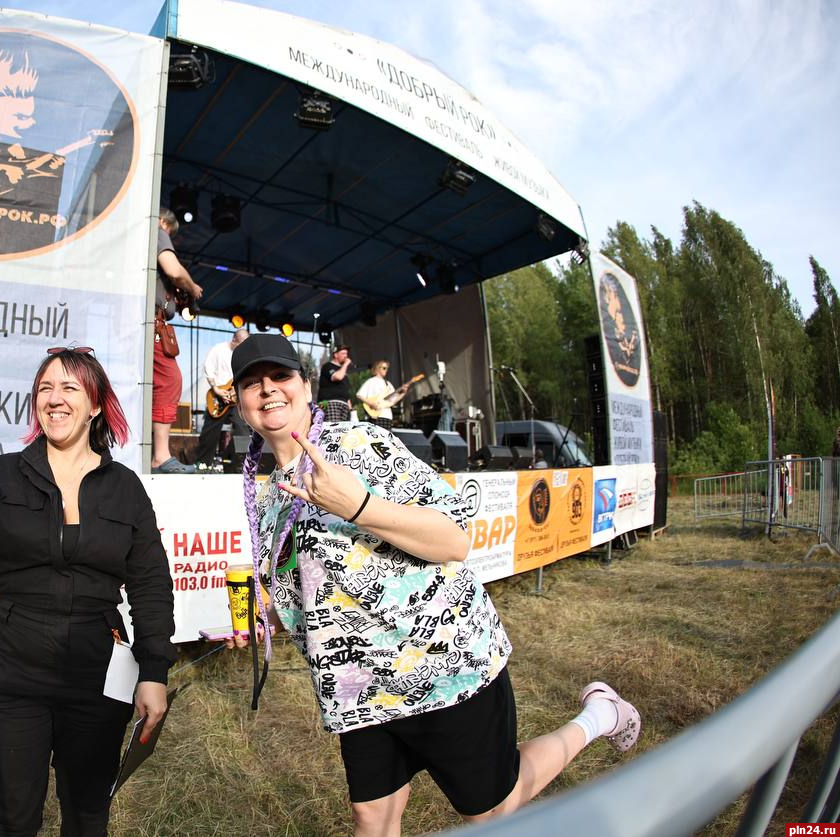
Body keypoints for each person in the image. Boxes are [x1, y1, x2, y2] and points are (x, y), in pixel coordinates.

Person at [227, 333, 641, 835]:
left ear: (307, 387)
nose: (268, 389)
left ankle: (598, 716)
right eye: (252, 383)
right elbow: (313, 594)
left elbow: (454, 540)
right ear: (240, 403)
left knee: (490, 811)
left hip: (439, 664)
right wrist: (267, 620)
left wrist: (359, 507)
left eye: (280, 376)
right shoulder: (270, 495)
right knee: (371, 818)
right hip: (359, 690)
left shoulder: (359, 445)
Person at [0, 347, 175, 836]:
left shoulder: (125, 488)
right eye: (45, 388)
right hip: (11, 666)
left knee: (87, 814)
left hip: (96, 669)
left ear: (96, 404)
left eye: (69, 388)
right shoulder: (2, 475)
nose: (54, 398)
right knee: (9, 818)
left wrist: (153, 671)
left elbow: (150, 584)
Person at [153, 208, 204, 473]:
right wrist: (192, 287)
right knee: (170, 380)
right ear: (165, 222)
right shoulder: (158, 230)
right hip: (152, 323)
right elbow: (174, 270)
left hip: (147, 322)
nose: (168, 238)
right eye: (170, 233)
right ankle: (160, 456)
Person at [195, 328, 249, 469]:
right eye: (241, 343)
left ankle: (239, 464)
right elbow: (208, 368)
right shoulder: (218, 349)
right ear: (234, 339)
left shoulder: (244, 355)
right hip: (218, 398)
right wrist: (217, 390)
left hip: (236, 399)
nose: (243, 347)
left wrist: (235, 392)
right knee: (209, 433)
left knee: (242, 430)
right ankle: (202, 464)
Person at [355, 360, 407, 431]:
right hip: (375, 415)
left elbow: (393, 401)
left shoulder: (388, 384)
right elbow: (359, 395)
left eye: (387, 368)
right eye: (384, 368)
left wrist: (403, 393)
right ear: (377, 368)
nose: (386, 370)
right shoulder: (371, 381)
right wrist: (371, 403)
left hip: (387, 416)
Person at [317, 345, 354, 422]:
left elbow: (346, 393)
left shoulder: (343, 372)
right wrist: (346, 364)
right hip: (329, 402)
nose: (346, 356)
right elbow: (338, 377)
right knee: (334, 427)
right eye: (343, 353)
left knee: (343, 428)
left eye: (346, 354)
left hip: (343, 404)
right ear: (336, 355)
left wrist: (351, 410)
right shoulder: (328, 366)